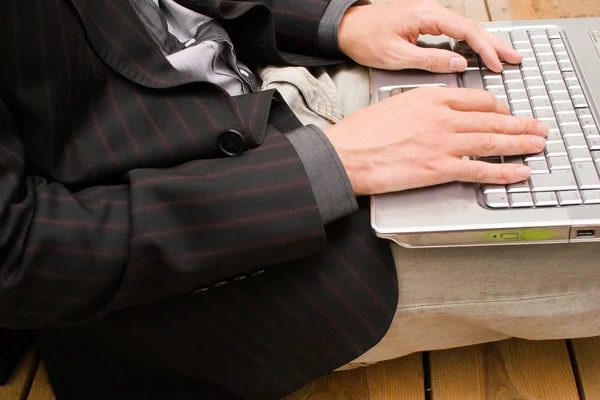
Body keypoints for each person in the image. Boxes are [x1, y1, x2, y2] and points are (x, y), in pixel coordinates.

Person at [2, 0, 596, 399]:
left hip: (270, 88)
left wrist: (336, 21)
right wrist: (336, 163)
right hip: (219, 243)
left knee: (570, 86)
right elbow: (18, 255)